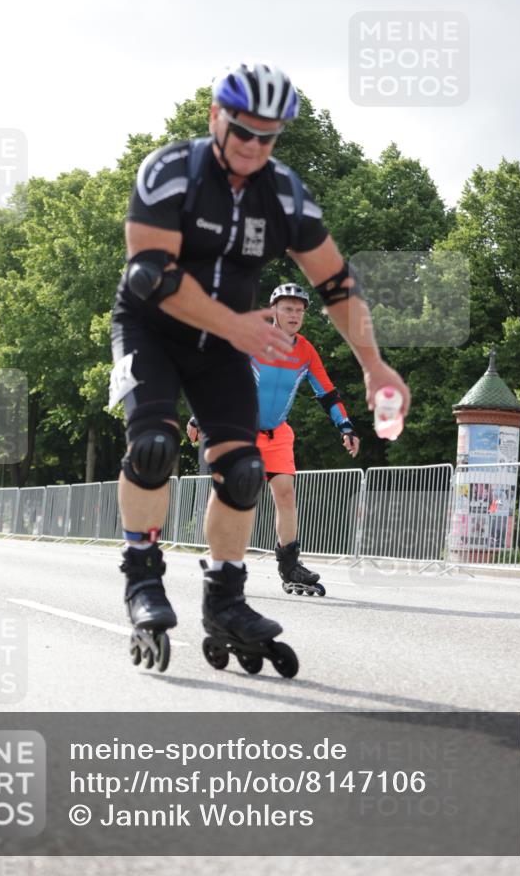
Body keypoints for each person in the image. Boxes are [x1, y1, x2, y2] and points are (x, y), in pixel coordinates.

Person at [110, 60, 409, 676]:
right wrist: (238, 325)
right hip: (151, 328)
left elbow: (334, 280)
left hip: (226, 341)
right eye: (243, 131)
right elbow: (151, 273)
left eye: (267, 137)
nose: (252, 146)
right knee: (154, 446)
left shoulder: (284, 194)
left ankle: (225, 598)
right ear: (217, 118)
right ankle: (142, 576)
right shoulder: (170, 172)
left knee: (244, 469)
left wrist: (375, 365)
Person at [187, 281, 359, 597]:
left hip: (277, 432)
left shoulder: (306, 351)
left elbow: (327, 392)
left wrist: (345, 427)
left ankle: (289, 564)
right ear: (274, 311)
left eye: (299, 310)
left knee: (286, 493)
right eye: (287, 308)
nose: (294, 315)